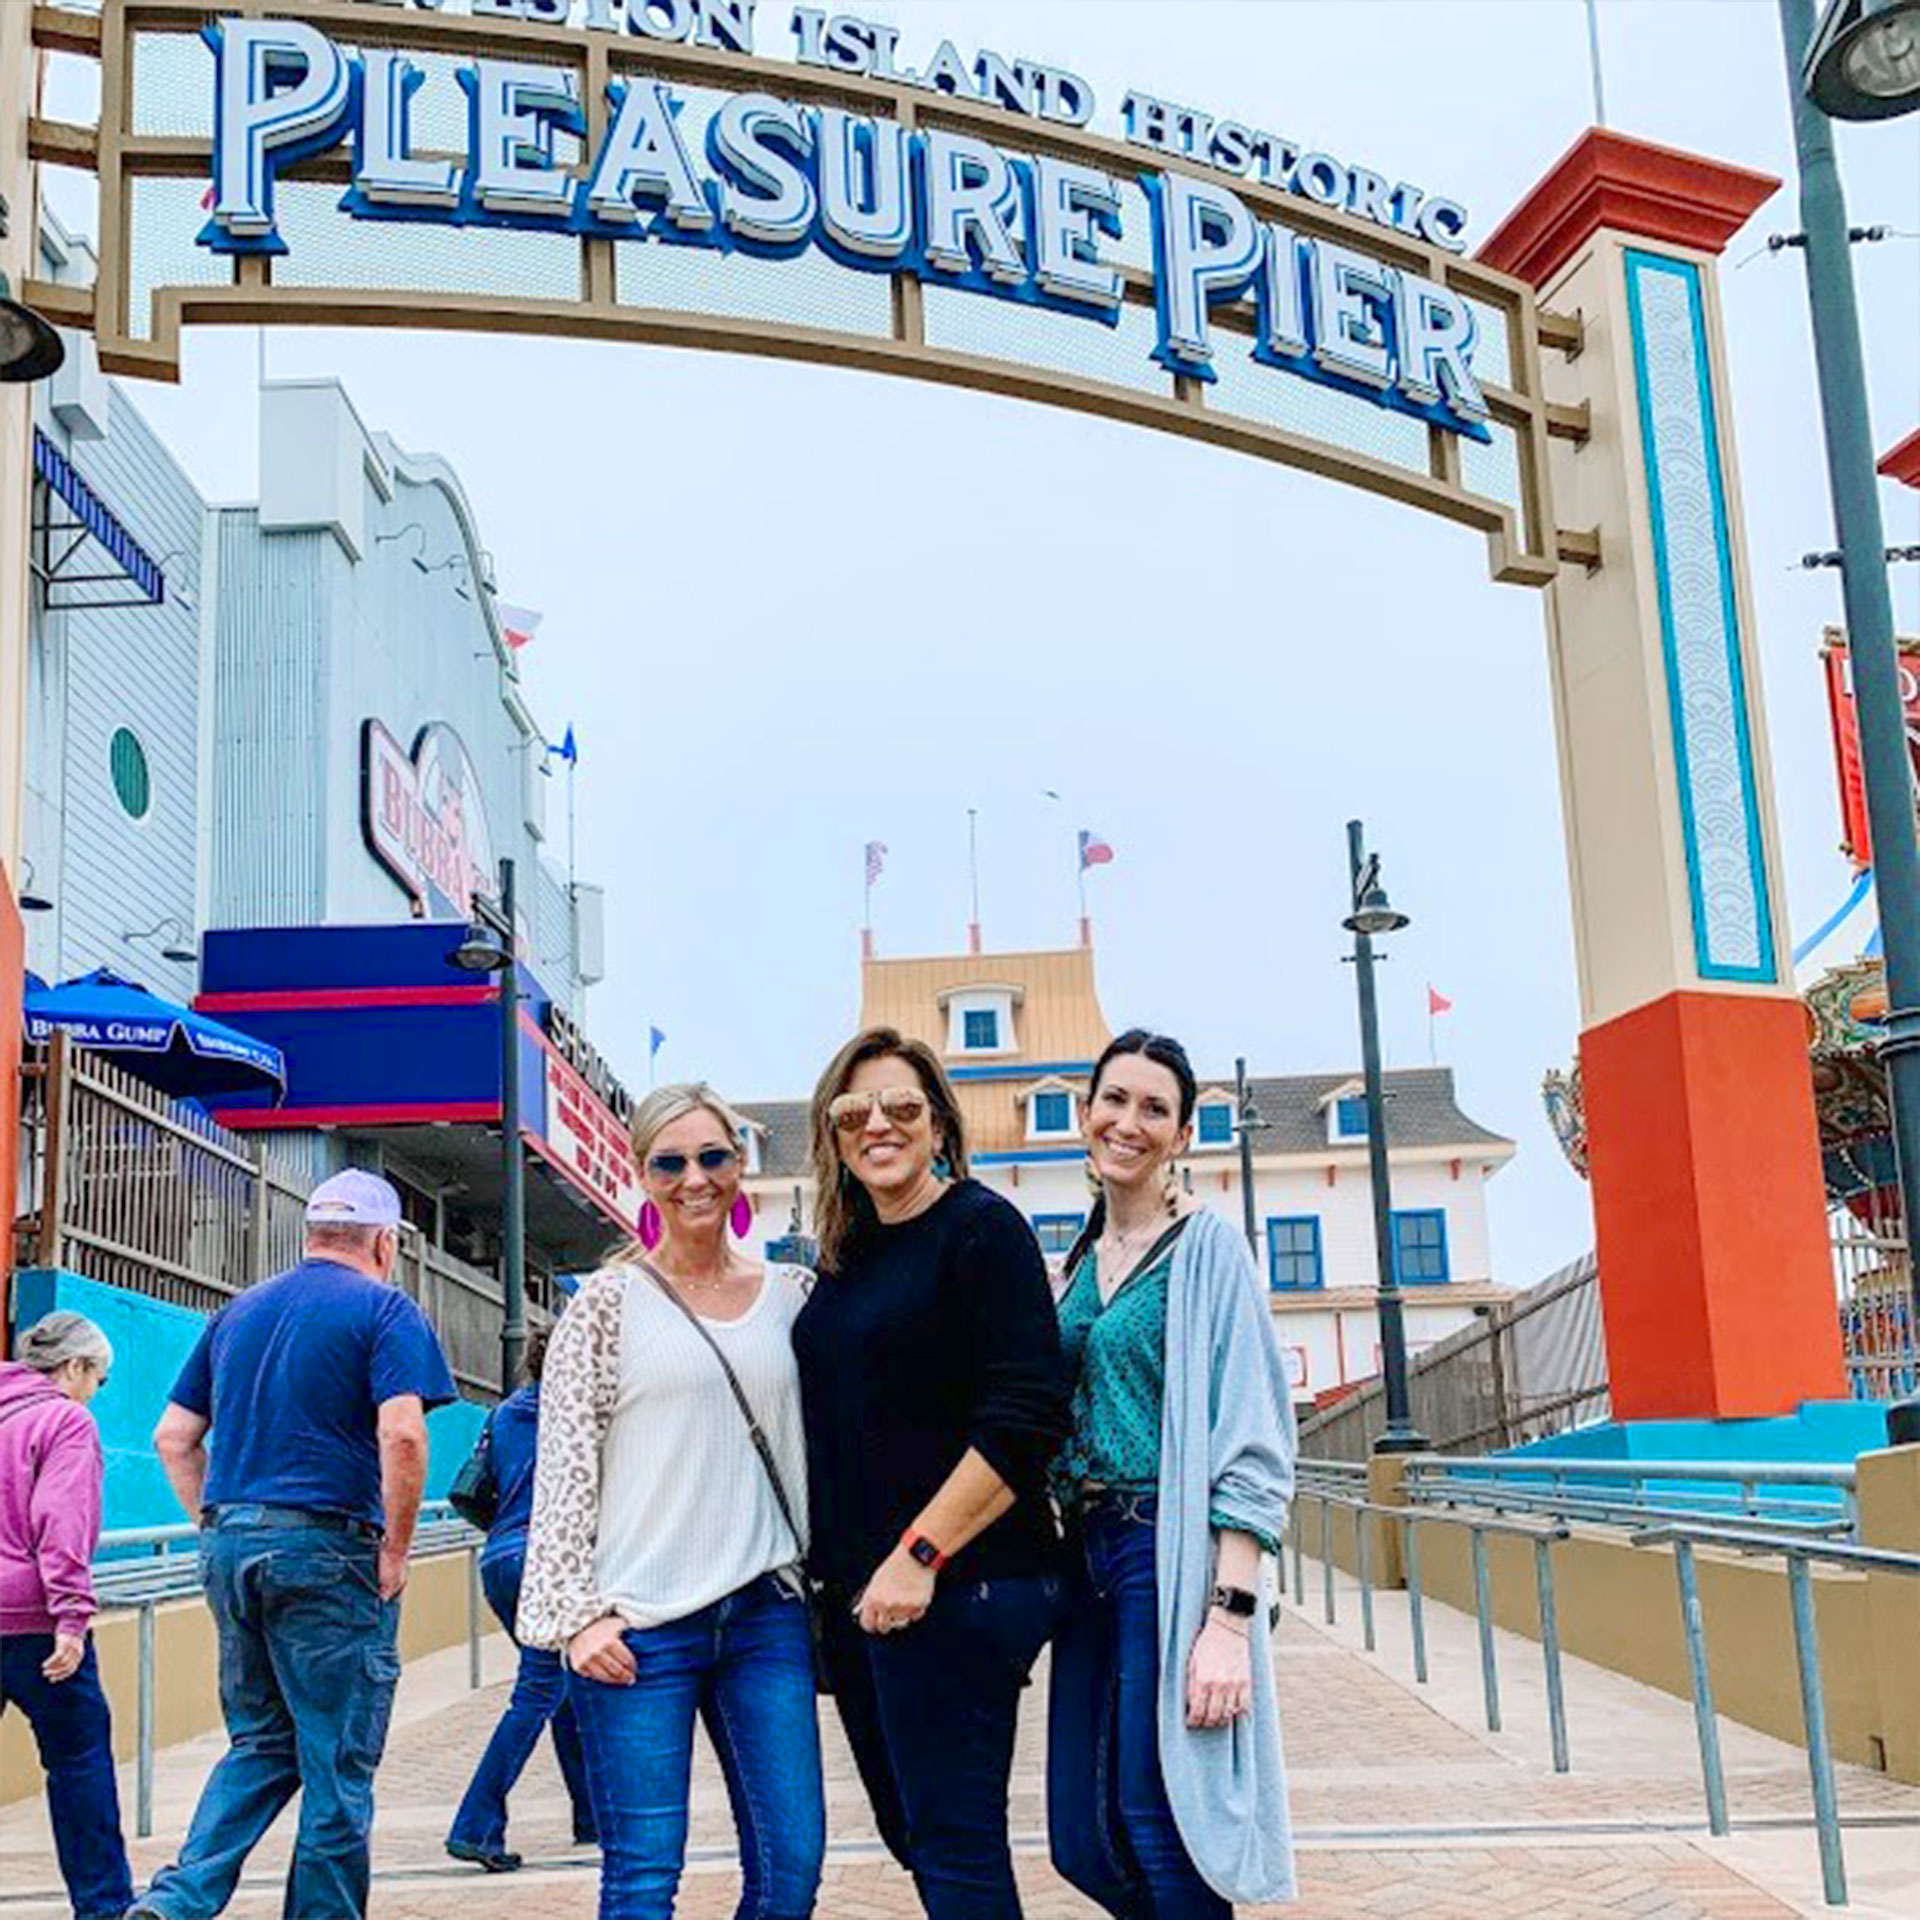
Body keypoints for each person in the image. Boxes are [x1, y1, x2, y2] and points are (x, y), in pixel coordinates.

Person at [518, 1083, 824, 1920]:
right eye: (671, 1162)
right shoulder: (607, 1306)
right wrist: (577, 1619)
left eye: (713, 1157)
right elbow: (566, 1471)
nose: (696, 1178)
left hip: (766, 1614)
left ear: (739, 1165)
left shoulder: (794, 1296)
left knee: (792, 1864)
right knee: (646, 1878)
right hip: (639, 1628)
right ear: (642, 1175)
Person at [794, 1027, 1070, 1920]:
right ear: (833, 1135)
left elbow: (1025, 1418)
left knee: (954, 1849)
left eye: (902, 1106)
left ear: (940, 1125)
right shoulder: (845, 1259)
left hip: (962, 1586)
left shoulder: (982, 1231)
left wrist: (921, 1553)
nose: (879, 1123)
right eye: (855, 1111)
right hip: (863, 1605)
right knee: (917, 1837)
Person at [134, 1169, 457, 1920]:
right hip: (329, 1551)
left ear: (310, 1235)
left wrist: (222, 1525)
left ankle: (177, 1903)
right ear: (386, 1242)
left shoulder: (237, 1313)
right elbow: (403, 1434)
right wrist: (397, 1550)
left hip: (232, 1547)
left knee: (261, 1743)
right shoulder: (386, 1310)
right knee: (338, 1765)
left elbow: (174, 1438)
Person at [1045, 1030, 1297, 1916]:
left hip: (1166, 1553)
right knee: (1082, 1834)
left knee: (1159, 1814)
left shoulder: (1208, 1252)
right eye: (1114, 1100)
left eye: (1155, 1108)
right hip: (1084, 1557)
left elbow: (1257, 1442)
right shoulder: (1073, 1266)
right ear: (1086, 1115)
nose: (1129, 1122)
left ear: (1183, 1134)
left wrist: (1229, 1617)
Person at [445, 1325, 598, 1871]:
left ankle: (590, 1816)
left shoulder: (506, 1412)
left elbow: (469, 1489)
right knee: (539, 1690)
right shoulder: (582, 1412)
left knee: (562, 1684)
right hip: (548, 1560)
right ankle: (476, 1825)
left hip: (501, 1558)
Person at [0, 1310, 136, 1920]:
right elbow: (64, 1526)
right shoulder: (65, 1422)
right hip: (34, 1624)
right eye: (99, 1380)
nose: (95, 1394)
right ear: (75, 1367)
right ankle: (103, 1907)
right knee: (79, 1763)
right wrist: (73, 1620)